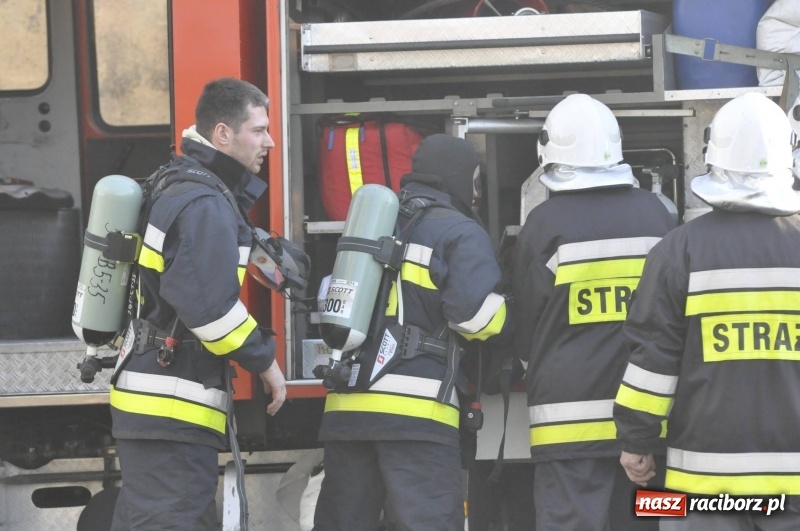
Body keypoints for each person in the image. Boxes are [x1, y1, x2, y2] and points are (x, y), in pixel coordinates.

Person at [614, 93, 800, 530]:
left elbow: (652, 364)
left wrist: (636, 441)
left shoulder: (678, 251)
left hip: (702, 485)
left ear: (713, 157)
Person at [109, 77, 287, 530]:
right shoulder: (204, 201)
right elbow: (210, 310)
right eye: (259, 130)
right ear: (223, 134)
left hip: (156, 406)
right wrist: (265, 362)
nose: (269, 141)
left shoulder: (175, 181)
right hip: (171, 409)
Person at [313, 134, 512, 531]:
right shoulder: (459, 231)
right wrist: (511, 303)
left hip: (346, 414)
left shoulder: (374, 222)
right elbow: (475, 320)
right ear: (461, 178)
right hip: (417, 419)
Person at [511, 93, 676, 531]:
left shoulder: (545, 225)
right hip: (647, 428)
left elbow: (524, 323)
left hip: (568, 432)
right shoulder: (657, 217)